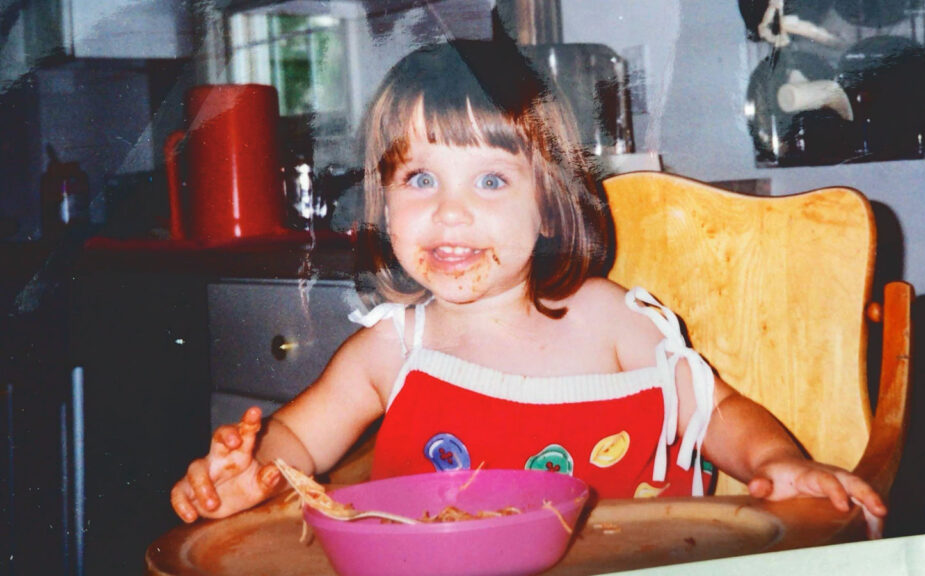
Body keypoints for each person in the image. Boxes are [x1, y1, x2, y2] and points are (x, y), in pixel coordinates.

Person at [170, 40, 887, 533]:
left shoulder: (613, 323)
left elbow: (715, 413)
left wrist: (778, 462)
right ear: (383, 203)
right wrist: (254, 473)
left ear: (548, 204)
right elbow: (298, 434)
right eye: (419, 179)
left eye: (490, 180)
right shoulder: (394, 348)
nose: (450, 211)